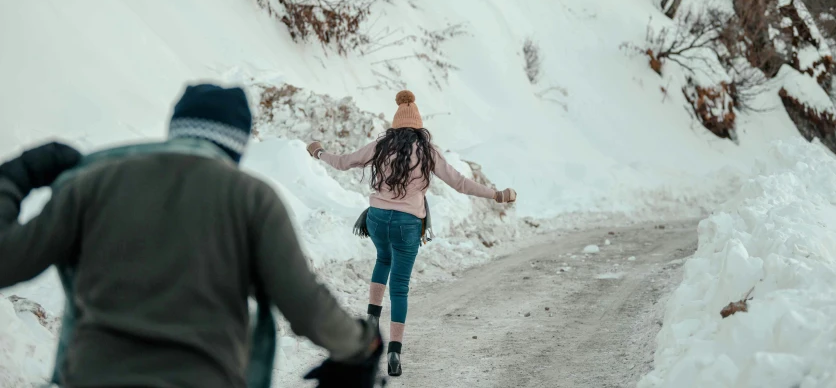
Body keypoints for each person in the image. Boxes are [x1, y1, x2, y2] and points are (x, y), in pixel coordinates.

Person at [0, 83, 382, 388]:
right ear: (238, 144)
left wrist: (15, 178)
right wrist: (360, 343)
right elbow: (305, 305)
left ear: (175, 127)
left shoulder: (93, 184)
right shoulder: (251, 199)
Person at [307, 90, 517, 377]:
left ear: (396, 124)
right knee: (400, 286)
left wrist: (319, 151)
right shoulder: (428, 151)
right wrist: (495, 194)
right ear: (419, 126)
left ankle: (371, 320)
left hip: (377, 218)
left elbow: (344, 162)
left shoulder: (381, 145)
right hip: (408, 224)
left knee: (383, 260)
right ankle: (394, 352)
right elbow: (460, 183)